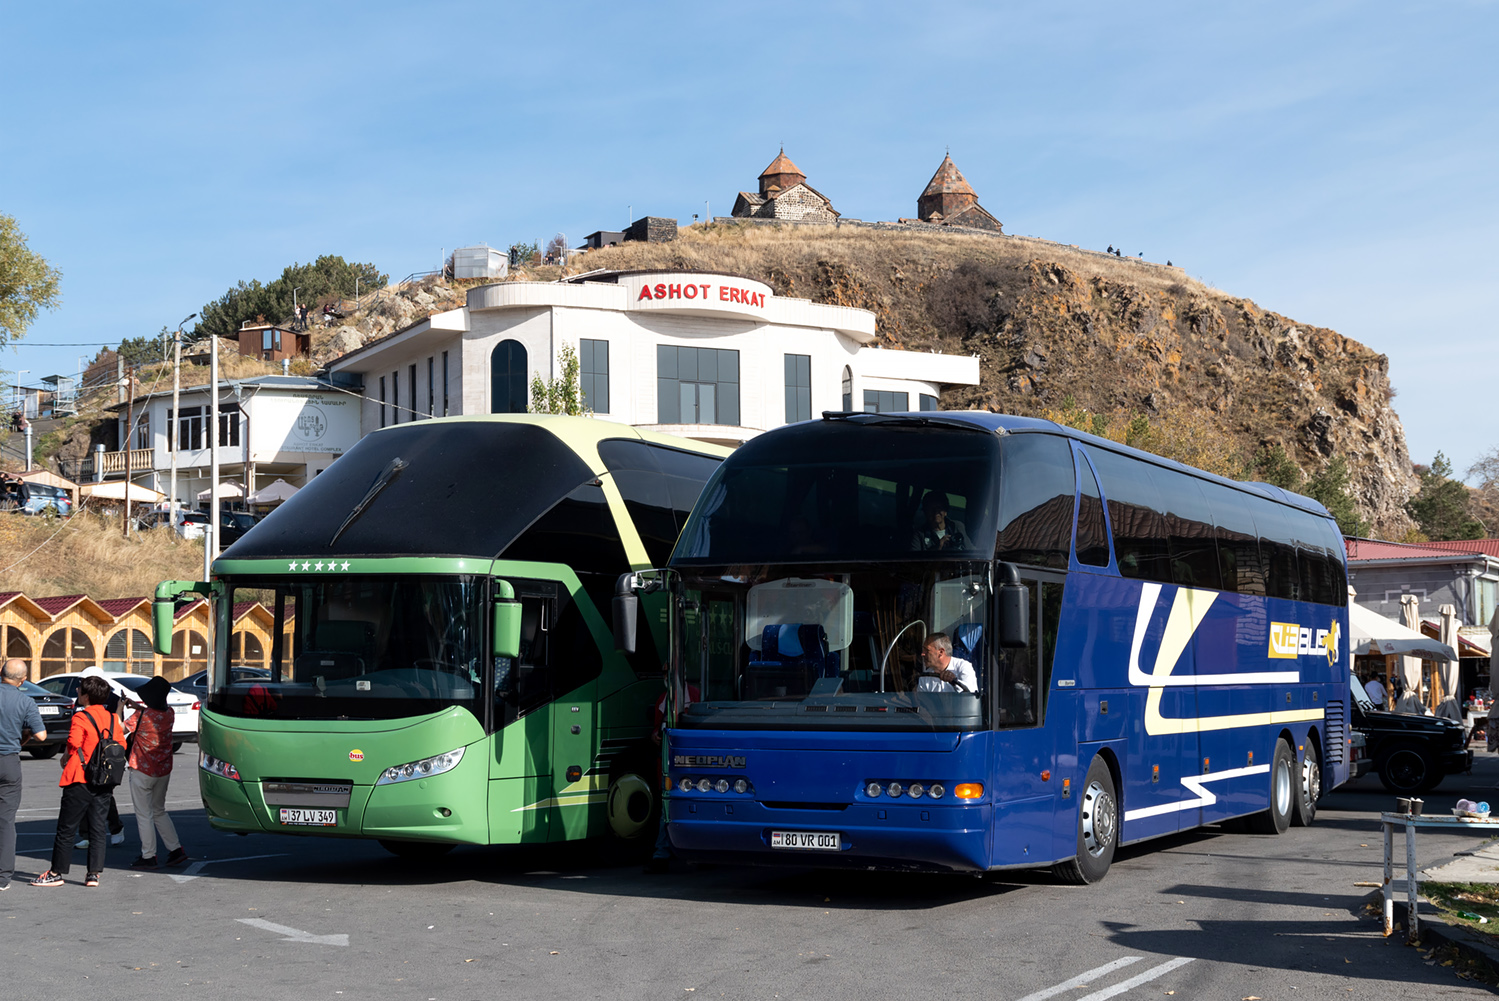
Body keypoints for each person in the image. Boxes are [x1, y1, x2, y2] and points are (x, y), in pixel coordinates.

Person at [31, 675, 119, 887]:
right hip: (104, 779)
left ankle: (56, 872)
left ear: (87, 696)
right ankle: (93, 874)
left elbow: (73, 742)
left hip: (80, 776)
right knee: (98, 827)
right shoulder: (113, 718)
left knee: (66, 827)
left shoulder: (81, 717)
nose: (77, 693)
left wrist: (67, 755)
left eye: (80, 690)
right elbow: (120, 742)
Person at [123, 677, 187, 869]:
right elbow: (152, 715)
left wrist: (121, 709)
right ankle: (175, 849)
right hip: (163, 770)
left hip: (142, 769)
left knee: (144, 814)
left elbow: (119, 729)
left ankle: (149, 855)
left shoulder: (139, 717)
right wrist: (137, 706)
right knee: (159, 810)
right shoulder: (169, 713)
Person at [645, 663, 699, 875]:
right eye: (665, 673)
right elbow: (657, 729)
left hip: (688, 762)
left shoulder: (694, 696)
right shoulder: (662, 700)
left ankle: (665, 854)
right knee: (666, 809)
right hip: (668, 762)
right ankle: (663, 854)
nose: (666, 677)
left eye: (670, 673)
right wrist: (654, 737)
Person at [1, 659, 48, 891]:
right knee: (6, 820)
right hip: (9, 761)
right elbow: (41, 736)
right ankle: (3, 877)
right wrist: (25, 736)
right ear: (23, 680)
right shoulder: (25, 701)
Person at [72, 667, 124, 849]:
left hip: (103, 759)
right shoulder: (80, 700)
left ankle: (116, 828)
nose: (80, 687)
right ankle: (85, 835)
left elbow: (117, 730)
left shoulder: (111, 700)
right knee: (84, 798)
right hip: (84, 759)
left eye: (85, 681)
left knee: (104, 797)